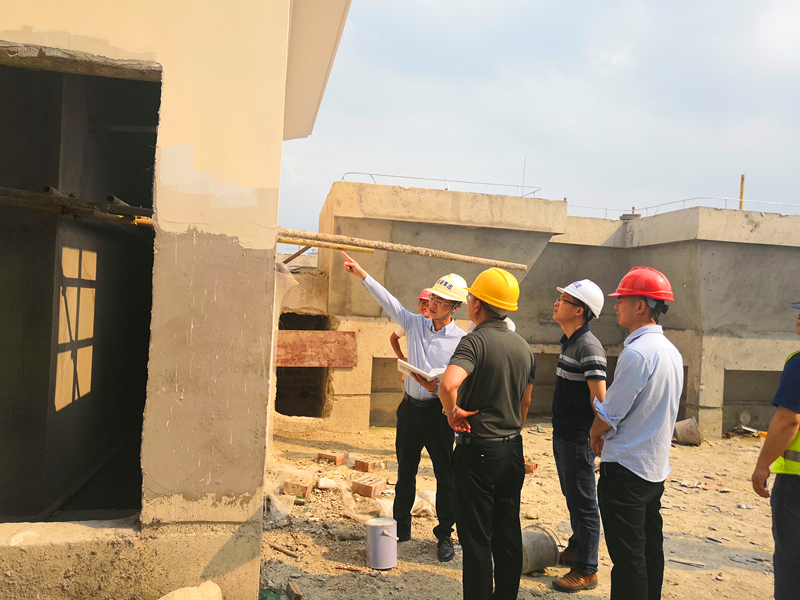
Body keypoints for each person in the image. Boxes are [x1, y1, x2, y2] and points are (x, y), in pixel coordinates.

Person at [341, 252, 466, 562]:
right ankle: (401, 529)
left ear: (455, 307)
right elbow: (390, 302)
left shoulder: (462, 340)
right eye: (433, 297)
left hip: (439, 414)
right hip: (410, 411)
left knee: (445, 476)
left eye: (441, 301)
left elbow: (462, 381)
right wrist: (363, 274)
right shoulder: (415, 323)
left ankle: (445, 535)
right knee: (405, 473)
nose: (433, 303)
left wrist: (438, 387)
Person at [438, 267, 537, 600]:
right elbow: (525, 402)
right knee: (507, 532)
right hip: (511, 449)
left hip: (478, 450)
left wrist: (452, 413)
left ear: (477, 304)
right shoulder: (524, 347)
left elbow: (448, 384)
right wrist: (511, 431)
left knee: (476, 537)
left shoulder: (474, 341)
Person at [589, 266, 683, 600]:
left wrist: (594, 434)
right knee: (649, 550)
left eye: (622, 300)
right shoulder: (670, 351)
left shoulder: (638, 353)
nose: (616, 306)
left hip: (626, 471)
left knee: (628, 559)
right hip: (653, 469)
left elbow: (610, 412)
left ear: (640, 305)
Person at [550, 280, 607, 593]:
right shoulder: (570, 342)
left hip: (578, 439)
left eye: (564, 299)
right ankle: (576, 548)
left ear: (579, 311)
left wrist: (595, 437)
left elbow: (600, 401)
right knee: (572, 496)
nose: (557, 303)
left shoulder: (588, 347)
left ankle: (587, 570)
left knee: (584, 503)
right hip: (564, 435)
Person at [751, 301, 800, 600]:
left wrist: (762, 465)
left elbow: (788, 420)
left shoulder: (798, 362)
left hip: (796, 483)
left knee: (792, 564)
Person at [389, 289, 431, 361]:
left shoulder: (438, 326)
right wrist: (401, 357)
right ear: (418, 304)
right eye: (423, 303)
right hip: (412, 366)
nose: (425, 307)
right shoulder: (411, 322)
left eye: (429, 305)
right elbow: (393, 338)